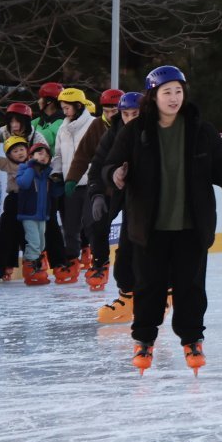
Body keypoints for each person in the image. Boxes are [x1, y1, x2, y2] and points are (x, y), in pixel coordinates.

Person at [103, 65, 222, 374]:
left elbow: (219, 167)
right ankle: (144, 340)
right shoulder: (135, 131)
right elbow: (108, 166)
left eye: (178, 91)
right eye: (167, 92)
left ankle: (192, 340)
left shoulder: (201, 130)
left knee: (190, 288)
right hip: (149, 226)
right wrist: (115, 175)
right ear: (153, 96)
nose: (174, 98)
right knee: (149, 287)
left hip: (191, 226)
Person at [90, 92, 143, 323]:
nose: (129, 118)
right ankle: (127, 297)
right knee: (125, 251)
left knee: (153, 250)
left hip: (153, 200)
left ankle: (162, 296)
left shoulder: (156, 131)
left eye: (135, 113)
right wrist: (97, 193)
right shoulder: (114, 133)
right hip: (127, 197)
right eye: (125, 114)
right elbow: (100, 164)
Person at [68, 88, 124, 289]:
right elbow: (83, 155)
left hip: (131, 187)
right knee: (96, 223)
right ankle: (100, 263)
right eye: (107, 111)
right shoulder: (97, 126)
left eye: (114, 111)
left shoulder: (132, 126)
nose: (110, 115)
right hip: (105, 186)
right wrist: (72, 178)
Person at [51, 87, 98, 283]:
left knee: (91, 223)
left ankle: (98, 260)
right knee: (70, 225)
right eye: (62, 108)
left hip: (90, 183)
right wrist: (56, 173)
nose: (64, 112)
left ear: (78, 106)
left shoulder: (93, 125)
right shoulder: (63, 128)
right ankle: (72, 261)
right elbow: (58, 155)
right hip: (70, 184)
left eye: (67, 108)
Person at [0, 137, 30, 282]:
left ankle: (32, 266)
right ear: (9, 155)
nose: (20, 153)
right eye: (15, 151)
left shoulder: (33, 163)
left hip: (30, 202)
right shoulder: (8, 164)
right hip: (13, 200)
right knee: (5, 234)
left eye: (22, 149)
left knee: (27, 236)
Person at [15, 141, 58, 285]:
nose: (43, 157)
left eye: (46, 155)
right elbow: (24, 183)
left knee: (41, 243)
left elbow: (55, 193)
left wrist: (58, 181)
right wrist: (31, 167)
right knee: (33, 242)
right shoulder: (24, 169)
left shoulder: (47, 173)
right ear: (30, 156)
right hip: (29, 214)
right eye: (40, 154)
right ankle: (30, 270)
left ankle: (36, 267)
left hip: (42, 215)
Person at [31, 82, 65, 148]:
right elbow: (26, 126)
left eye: (40, 98)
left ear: (48, 101)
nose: (38, 101)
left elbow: (45, 138)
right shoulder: (43, 119)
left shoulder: (62, 122)